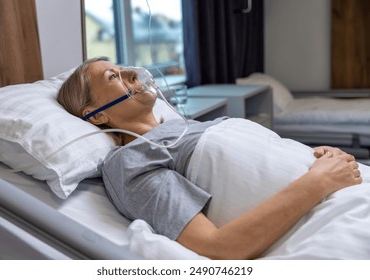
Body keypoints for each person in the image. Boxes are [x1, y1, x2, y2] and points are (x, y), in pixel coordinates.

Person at [57, 57, 362, 260]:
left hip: (348, 187)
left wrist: (323, 157)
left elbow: (266, 157)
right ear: (96, 115)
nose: (133, 74)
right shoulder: (130, 159)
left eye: (125, 69)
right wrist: (318, 181)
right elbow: (218, 248)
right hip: (335, 217)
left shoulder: (185, 126)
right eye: (114, 76)